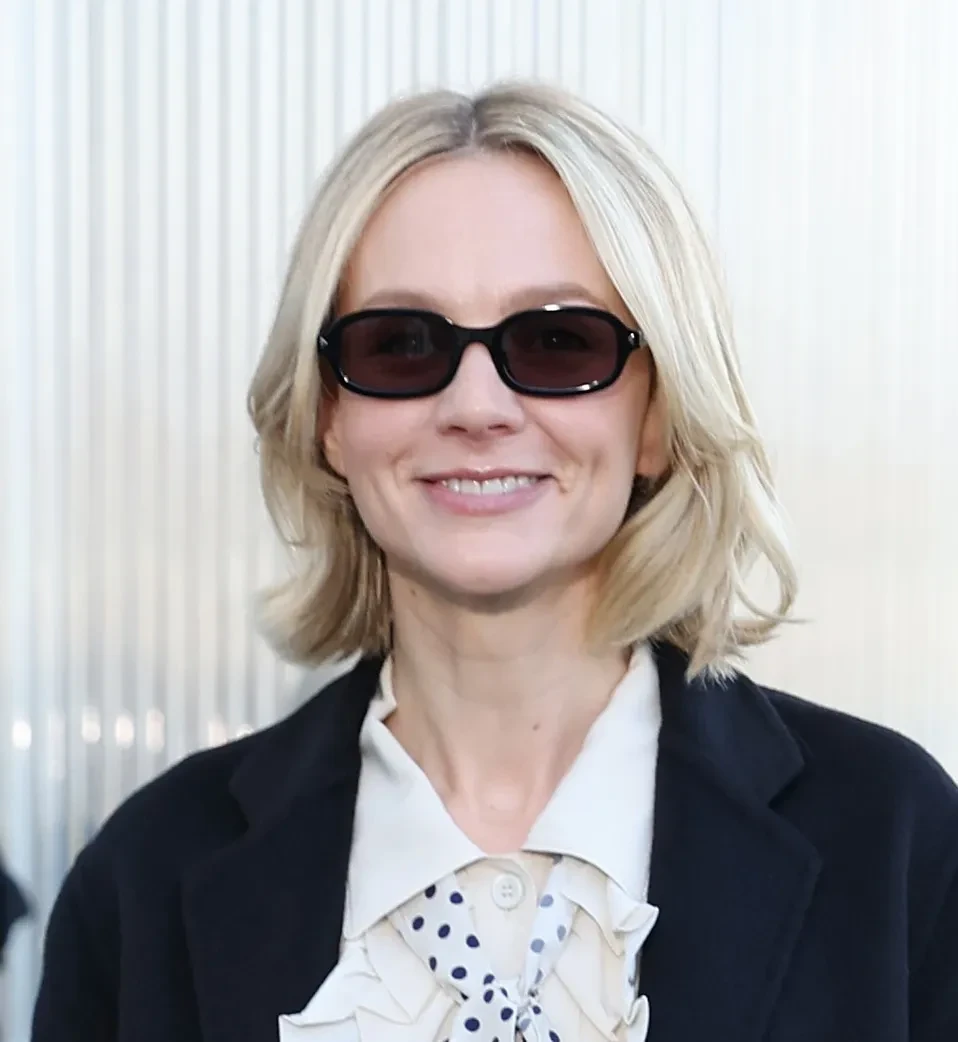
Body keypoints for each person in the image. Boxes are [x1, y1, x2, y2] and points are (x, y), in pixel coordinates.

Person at [32, 82, 957, 1042]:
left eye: (557, 342)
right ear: (328, 419)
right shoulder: (142, 884)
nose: (476, 407)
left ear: (655, 416)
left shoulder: (896, 847)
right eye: (400, 345)